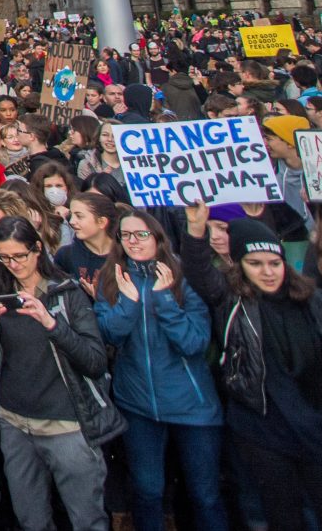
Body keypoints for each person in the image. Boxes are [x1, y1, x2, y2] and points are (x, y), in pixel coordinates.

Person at [179, 202, 322, 531]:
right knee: (283, 514)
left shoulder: (316, 301)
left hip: (317, 424)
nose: (267, 271)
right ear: (240, 265)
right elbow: (200, 271)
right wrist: (195, 229)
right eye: (255, 263)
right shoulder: (232, 299)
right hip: (262, 427)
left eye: (274, 263)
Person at [0, 216, 114, 531]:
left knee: (87, 518)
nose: (13, 264)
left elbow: (94, 360)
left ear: (37, 250)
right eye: (4, 257)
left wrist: (51, 323)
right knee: (31, 518)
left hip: (66, 425)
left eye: (19, 256)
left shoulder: (66, 293)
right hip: (15, 423)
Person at [90, 209, 224, 531]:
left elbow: (194, 342)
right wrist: (129, 304)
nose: (133, 242)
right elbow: (108, 334)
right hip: (139, 406)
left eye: (142, 234)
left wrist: (164, 301)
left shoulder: (183, 276)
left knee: (204, 494)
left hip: (192, 406)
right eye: (126, 235)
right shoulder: (112, 277)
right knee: (148, 491)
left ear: (158, 236)